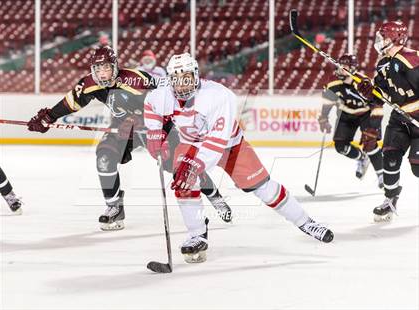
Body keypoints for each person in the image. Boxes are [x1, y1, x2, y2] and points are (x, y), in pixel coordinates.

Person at [144, 53, 334, 264]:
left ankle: (305, 222)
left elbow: (217, 142)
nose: (182, 84)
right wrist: (155, 134)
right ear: (170, 79)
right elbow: (150, 107)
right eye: (177, 79)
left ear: (196, 75)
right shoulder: (161, 96)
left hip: (229, 145)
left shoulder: (218, 96)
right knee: (183, 184)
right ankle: (197, 234)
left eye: (187, 77)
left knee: (264, 188)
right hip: (190, 143)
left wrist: (195, 165)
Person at [27, 46, 231, 231]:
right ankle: (114, 206)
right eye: (98, 69)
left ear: (115, 67)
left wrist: (164, 124)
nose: (102, 74)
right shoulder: (89, 84)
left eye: (106, 68)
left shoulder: (135, 78)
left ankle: (215, 196)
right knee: (104, 157)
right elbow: (71, 103)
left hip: (155, 125)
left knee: (181, 167)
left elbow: (168, 94)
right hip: (123, 128)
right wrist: (48, 117)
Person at [357, 21, 419, 222]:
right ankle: (390, 200)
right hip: (399, 120)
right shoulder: (383, 63)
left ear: (396, 38)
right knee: (390, 159)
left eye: (383, 37)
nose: (379, 41)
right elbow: (380, 94)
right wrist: (369, 90)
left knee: (417, 167)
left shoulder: (412, 59)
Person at [318, 54, 384, 188]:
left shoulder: (363, 82)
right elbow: (327, 102)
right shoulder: (333, 82)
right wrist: (323, 118)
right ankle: (362, 158)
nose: (340, 69)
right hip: (346, 114)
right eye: (339, 66)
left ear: (353, 68)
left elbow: (378, 104)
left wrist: (374, 126)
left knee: (370, 143)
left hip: (366, 114)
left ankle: (382, 174)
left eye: (345, 67)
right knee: (340, 146)